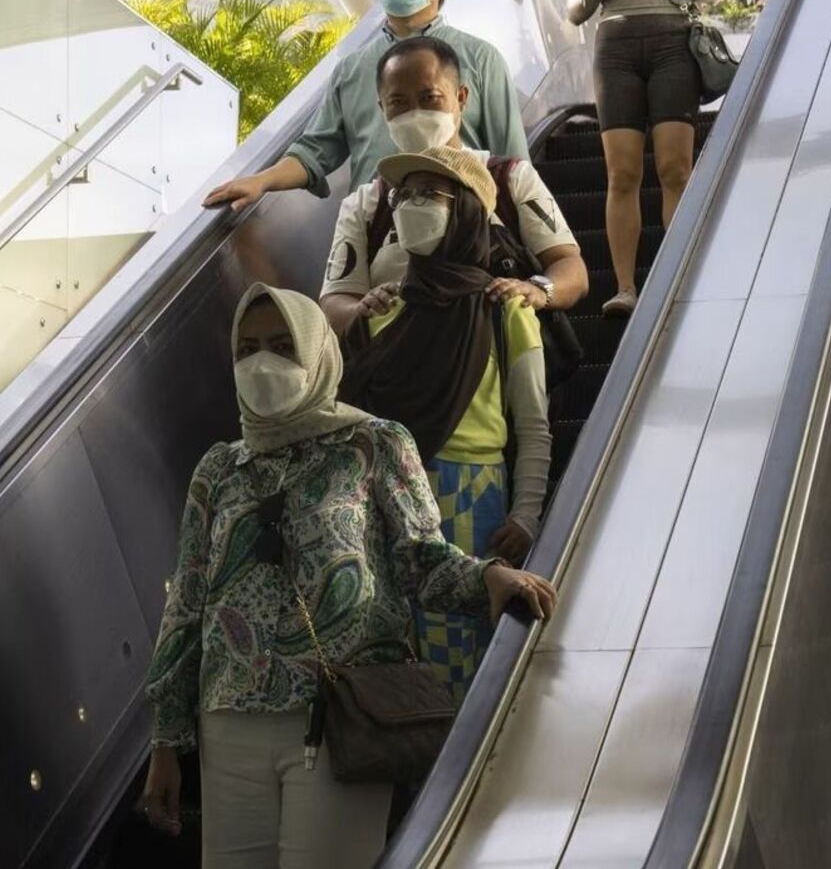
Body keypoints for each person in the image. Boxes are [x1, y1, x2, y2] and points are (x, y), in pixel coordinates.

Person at [139, 284, 557, 867]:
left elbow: (421, 557)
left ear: (316, 352)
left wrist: (487, 577)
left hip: (340, 718)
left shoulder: (374, 443)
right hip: (229, 718)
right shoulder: (219, 469)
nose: (263, 361)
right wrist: (166, 740)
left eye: (284, 346)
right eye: (249, 348)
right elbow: (187, 601)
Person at [338, 146, 551, 697]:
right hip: (382, 506)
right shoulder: (385, 311)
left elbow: (533, 426)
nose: (410, 205)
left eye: (429, 194)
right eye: (403, 194)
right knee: (396, 659)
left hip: (473, 499)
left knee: (463, 663)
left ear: (469, 213)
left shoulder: (506, 310)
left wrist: (526, 515)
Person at [201, 0, 528, 211]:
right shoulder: (352, 69)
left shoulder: (479, 59)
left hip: (461, 228)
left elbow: (513, 164)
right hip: (375, 231)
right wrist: (262, 181)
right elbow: (315, 151)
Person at [322, 35, 588, 336]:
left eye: (429, 97)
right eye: (398, 102)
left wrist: (538, 291)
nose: (414, 113)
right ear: (382, 109)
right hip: (399, 370)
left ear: (461, 97)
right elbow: (335, 300)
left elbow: (570, 266)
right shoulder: (365, 205)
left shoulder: (510, 179)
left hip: (505, 361)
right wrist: (360, 310)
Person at [566, 0, 721, 318]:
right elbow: (574, 9)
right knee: (622, 172)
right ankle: (626, 288)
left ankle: (677, 276)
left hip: (673, 41)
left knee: (676, 166)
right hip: (615, 45)